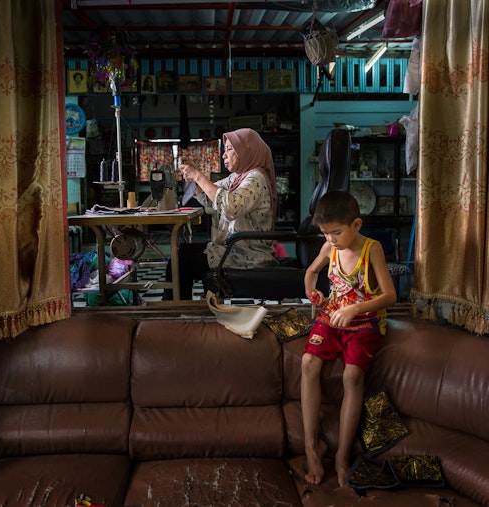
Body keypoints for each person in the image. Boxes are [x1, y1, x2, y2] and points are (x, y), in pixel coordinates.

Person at [301, 190, 397, 487]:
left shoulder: (372, 249)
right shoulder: (330, 248)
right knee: (307, 363)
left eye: (336, 232)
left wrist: (356, 307)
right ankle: (311, 447)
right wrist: (311, 290)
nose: (330, 239)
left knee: (352, 375)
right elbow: (311, 271)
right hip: (332, 316)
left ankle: (342, 456)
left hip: (364, 322)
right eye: (325, 234)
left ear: (356, 225)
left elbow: (390, 295)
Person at [163, 128, 278, 300]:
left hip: (246, 255)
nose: (224, 155)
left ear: (247, 150)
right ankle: (179, 309)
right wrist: (195, 175)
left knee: (181, 261)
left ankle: (178, 311)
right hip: (233, 248)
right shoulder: (237, 177)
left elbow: (230, 207)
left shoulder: (255, 178)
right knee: (181, 252)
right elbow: (209, 198)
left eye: (230, 149)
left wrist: (199, 176)